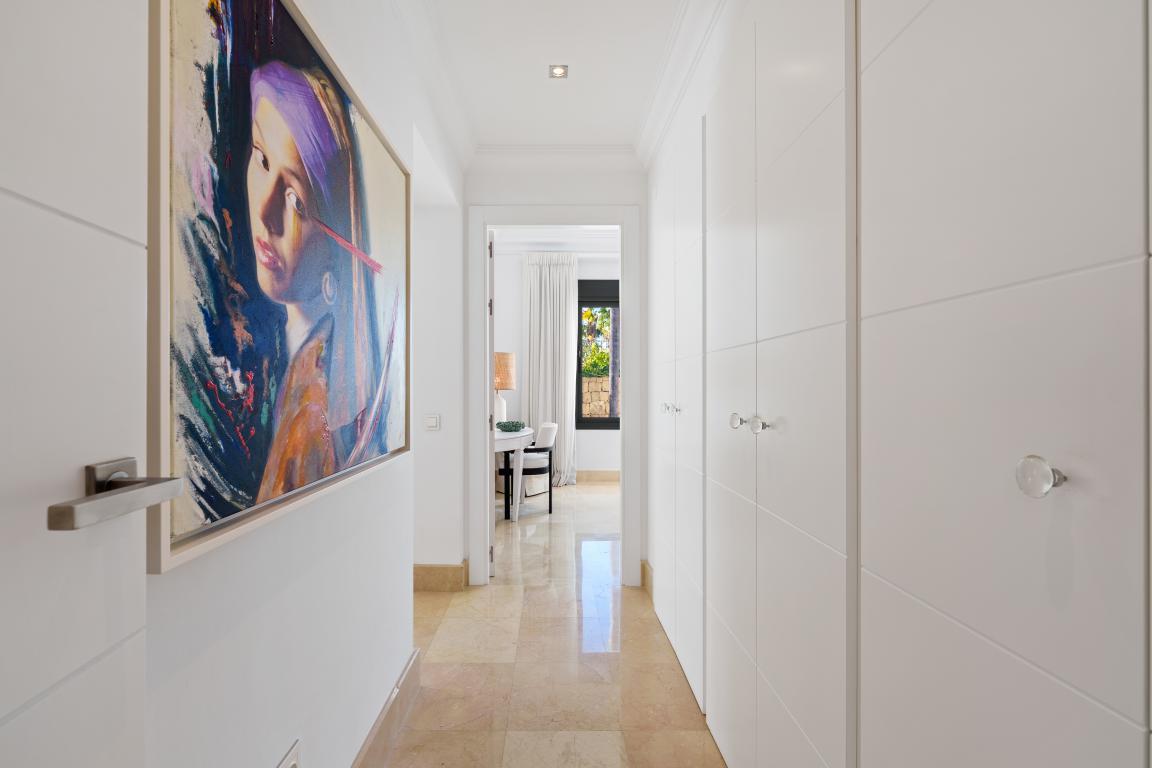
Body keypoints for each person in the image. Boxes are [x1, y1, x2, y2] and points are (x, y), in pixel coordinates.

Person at [245, 61, 386, 502]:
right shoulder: (278, 353)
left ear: (335, 242)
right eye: (262, 159)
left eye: (296, 200)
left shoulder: (314, 400)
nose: (265, 211)